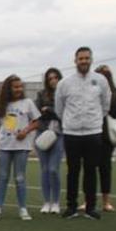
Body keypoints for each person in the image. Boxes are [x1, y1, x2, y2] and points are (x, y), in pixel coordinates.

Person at [56, 46, 111, 220]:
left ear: (91, 59)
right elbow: (59, 108)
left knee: (90, 170)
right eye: (81, 59)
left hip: (93, 133)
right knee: (72, 170)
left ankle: (90, 207)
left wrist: (93, 122)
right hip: (71, 133)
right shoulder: (65, 83)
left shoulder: (100, 80)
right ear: (75, 61)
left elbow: (105, 105)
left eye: (87, 58)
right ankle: (71, 207)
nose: (84, 61)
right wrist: (70, 122)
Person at [0, 75, 40, 221]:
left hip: (22, 147)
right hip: (4, 146)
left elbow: (37, 122)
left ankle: (23, 209)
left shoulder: (28, 103)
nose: (19, 89)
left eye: (20, 86)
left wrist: (26, 131)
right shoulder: (2, 105)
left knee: (20, 177)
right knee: (3, 177)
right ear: (8, 88)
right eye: (15, 87)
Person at [85, 65, 116, 212]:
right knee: (89, 168)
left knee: (105, 168)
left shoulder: (115, 92)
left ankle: (106, 201)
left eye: (105, 75)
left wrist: (106, 100)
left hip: (106, 136)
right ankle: (87, 200)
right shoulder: (89, 91)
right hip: (90, 133)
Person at [34, 68, 65, 214]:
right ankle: (47, 202)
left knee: (53, 169)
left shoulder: (65, 94)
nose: (53, 80)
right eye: (50, 78)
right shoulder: (41, 94)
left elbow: (64, 114)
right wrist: (48, 112)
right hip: (42, 133)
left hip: (58, 134)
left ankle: (56, 202)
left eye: (55, 77)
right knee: (45, 169)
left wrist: (50, 110)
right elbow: (38, 113)